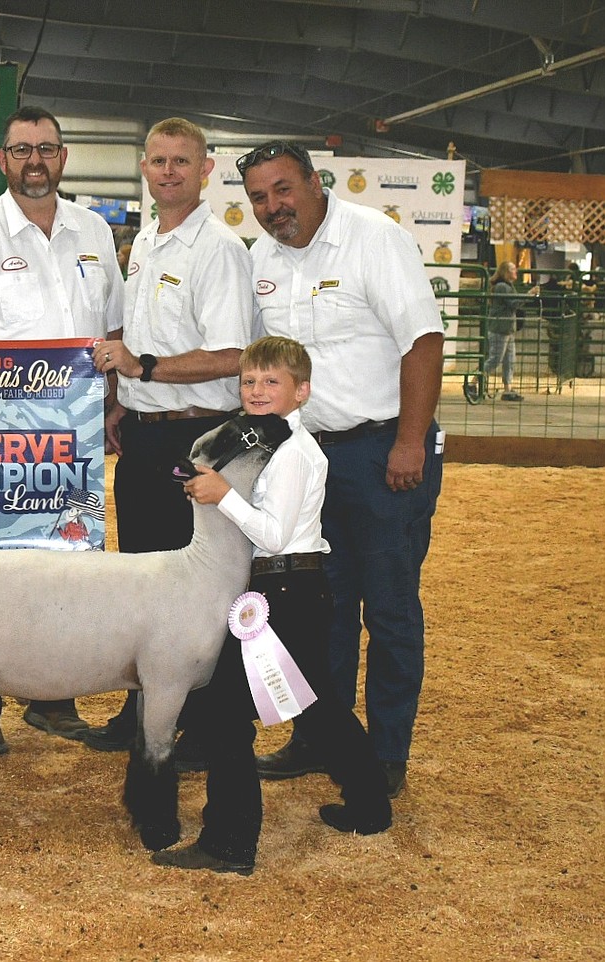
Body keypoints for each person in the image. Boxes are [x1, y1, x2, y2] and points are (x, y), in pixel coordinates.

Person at [238, 140, 444, 799]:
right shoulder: (260, 259)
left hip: (382, 451)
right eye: (259, 198)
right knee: (316, 608)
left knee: (387, 607)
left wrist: (410, 441)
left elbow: (423, 341)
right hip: (306, 457)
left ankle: (385, 753)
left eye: (283, 190)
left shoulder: (374, 239)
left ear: (315, 182)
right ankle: (319, 736)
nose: (274, 207)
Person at [152, 336, 392, 874]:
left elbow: (276, 534)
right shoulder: (270, 441)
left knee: (224, 715)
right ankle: (371, 805)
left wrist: (224, 496)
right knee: (317, 704)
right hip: (294, 590)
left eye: (271, 382)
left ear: (301, 391)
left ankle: (230, 842)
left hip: (286, 587)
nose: (257, 391)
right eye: (248, 382)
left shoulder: (293, 455)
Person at [0, 105, 124, 754]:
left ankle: (54, 699)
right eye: (21, 150)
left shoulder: (94, 232)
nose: (34, 161)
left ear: (63, 157)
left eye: (46, 149)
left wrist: (115, 400)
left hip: (77, 440)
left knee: (68, 566)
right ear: (2, 160)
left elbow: (115, 331)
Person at [84, 117, 252, 763]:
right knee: (147, 582)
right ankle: (143, 711)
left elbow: (231, 354)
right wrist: (124, 400)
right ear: (145, 167)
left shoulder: (220, 250)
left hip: (198, 438)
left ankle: (206, 724)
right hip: (148, 437)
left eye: (182, 161)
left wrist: (142, 369)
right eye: (158, 161)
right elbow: (143, 335)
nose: (168, 172)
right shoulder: (149, 238)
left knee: (199, 591)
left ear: (205, 170)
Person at [486, 261, 538, 401]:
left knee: (509, 360)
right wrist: (529, 295)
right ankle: (474, 380)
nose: (516, 272)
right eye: (513, 269)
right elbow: (514, 303)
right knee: (495, 359)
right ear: (506, 272)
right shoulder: (503, 287)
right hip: (500, 328)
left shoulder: (507, 286)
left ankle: (508, 389)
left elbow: (514, 303)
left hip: (506, 328)